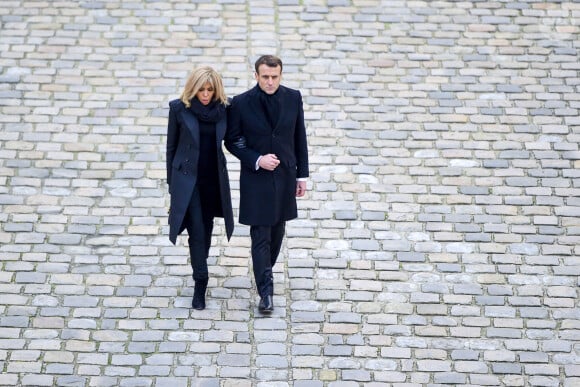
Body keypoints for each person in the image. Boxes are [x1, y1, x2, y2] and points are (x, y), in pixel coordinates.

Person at [225, 55, 309, 314]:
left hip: (284, 176)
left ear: (280, 75)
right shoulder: (239, 103)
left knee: (278, 230)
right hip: (256, 179)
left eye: (274, 77)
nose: (270, 82)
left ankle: (265, 271)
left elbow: (299, 136)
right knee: (260, 233)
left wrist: (301, 176)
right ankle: (266, 292)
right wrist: (257, 159)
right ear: (256, 76)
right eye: (265, 77)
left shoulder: (293, 97)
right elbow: (232, 140)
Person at [166, 66, 234, 310]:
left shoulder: (225, 109)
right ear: (192, 89)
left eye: (209, 89)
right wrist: (172, 186)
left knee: (205, 229)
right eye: (201, 90)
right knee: (195, 227)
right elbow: (171, 149)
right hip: (188, 180)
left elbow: (234, 139)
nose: (205, 94)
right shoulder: (178, 109)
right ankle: (200, 281)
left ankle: (199, 264)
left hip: (213, 180)